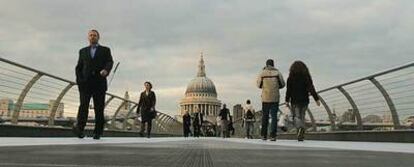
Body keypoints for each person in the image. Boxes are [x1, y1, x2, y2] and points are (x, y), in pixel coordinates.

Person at [74, 29, 114, 140]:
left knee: (99, 108)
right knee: (83, 106)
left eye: (95, 35)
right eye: (91, 35)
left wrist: (106, 70)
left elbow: (110, 62)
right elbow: (79, 67)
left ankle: (98, 132)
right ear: (88, 37)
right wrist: (79, 81)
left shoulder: (105, 50)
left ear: (98, 37)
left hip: (99, 83)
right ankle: (80, 129)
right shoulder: (82, 51)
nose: (92, 37)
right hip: (85, 84)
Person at [285, 61, 320, 142]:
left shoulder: (290, 78)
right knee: (302, 116)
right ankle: (300, 135)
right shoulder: (306, 77)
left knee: (296, 117)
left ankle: (300, 129)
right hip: (304, 100)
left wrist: (287, 100)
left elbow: (288, 90)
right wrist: (316, 99)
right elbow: (311, 88)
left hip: (295, 100)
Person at [257, 59, 285, 141]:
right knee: (274, 116)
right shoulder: (277, 73)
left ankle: (263, 135)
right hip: (275, 97)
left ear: (266, 65)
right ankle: (273, 135)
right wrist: (276, 87)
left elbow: (258, 84)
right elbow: (283, 84)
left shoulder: (262, 73)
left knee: (265, 116)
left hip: (265, 98)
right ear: (273, 65)